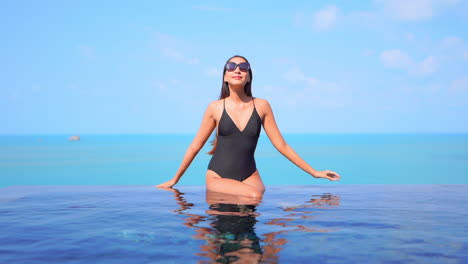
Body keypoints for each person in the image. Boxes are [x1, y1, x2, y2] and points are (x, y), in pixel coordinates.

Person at [157, 55, 341, 197]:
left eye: (243, 67)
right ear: (225, 77)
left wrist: (314, 173)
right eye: (232, 67)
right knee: (252, 196)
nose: (238, 69)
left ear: (248, 77)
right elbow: (195, 146)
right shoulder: (215, 108)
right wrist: (175, 179)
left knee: (254, 217)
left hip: (251, 176)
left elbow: (281, 146)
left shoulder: (262, 106)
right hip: (218, 176)